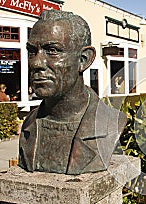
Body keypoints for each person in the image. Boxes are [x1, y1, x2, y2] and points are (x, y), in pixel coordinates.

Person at [19, 10, 126, 175]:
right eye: (32, 51)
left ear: (83, 60)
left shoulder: (110, 122)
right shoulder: (29, 124)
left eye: (52, 50)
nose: (36, 63)